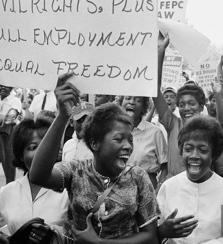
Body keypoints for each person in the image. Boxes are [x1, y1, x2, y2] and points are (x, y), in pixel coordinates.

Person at [29, 73, 159, 243]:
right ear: (95, 144)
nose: (128, 146)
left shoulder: (139, 177)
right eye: (119, 139)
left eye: (130, 139)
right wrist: (62, 117)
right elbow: (38, 175)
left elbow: (151, 236)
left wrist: (99, 243)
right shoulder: (76, 170)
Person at [157, 115, 223, 244]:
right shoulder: (168, 187)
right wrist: (162, 231)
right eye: (188, 149)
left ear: (214, 154)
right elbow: (156, 230)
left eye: (202, 150)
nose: (194, 156)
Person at [0, 118, 69, 244]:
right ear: (21, 155)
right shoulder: (8, 192)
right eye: (33, 147)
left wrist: (54, 233)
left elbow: (86, 233)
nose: (41, 153)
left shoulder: (69, 189)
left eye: (46, 147)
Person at [152, 33, 223, 179]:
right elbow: (154, 88)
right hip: (174, 192)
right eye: (181, 104)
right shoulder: (172, 124)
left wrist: (218, 95)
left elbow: (222, 173)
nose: (186, 108)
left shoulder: (211, 130)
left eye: (192, 103)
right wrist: (161, 50)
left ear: (201, 106)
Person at [120, 95, 168, 189]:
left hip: (147, 188)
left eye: (138, 100)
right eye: (128, 98)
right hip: (119, 188)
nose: (132, 102)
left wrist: (159, 188)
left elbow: (165, 166)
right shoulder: (113, 130)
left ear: (144, 107)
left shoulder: (155, 132)